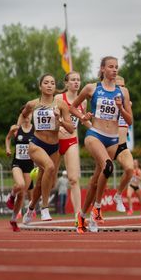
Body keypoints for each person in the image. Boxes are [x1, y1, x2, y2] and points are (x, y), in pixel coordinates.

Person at [69, 56, 133, 233]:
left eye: (116, 67)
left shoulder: (123, 92)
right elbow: (72, 107)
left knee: (95, 182)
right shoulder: (92, 88)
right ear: (103, 69)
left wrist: (120, 109)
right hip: (95, 135)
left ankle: (82, 217)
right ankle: (97, 209)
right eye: (111, 67)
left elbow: (130, 120)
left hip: (112, 140)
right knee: (108, 166)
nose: (114, 70)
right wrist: (83, 117)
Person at [22, 73, 74, 223]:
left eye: (52, 82)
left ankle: (30, 208)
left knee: (46, 183)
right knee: (49, 167)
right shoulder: (32, 104)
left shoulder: (61, 105)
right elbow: (23, 114)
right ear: (40, 86)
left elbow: (71, 128)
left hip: (54, 147)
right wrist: (20, 127)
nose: (50, 85)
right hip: (36, 143)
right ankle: (44, 208)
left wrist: (60, 121)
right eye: (46, 82)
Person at [54, 71, 89, 221]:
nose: (76, 82)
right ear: (66, 83)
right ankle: (32, 207)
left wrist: (95, 129)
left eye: (78, 80)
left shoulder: (83, 101)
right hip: (55, 141)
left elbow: (83, 120)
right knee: (48, 180)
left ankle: (78, 216)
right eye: (73, 80)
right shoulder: (58, 98)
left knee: (74, 179)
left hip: (72, 140)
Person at [5, 109, 35, 232]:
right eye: (25, 115)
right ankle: (11, 196)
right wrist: (8, 149)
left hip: (29, 165)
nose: (27, 117)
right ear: (21, 116)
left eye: (29, 114)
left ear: (32, 116)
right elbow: (7, 138)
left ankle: (13, 219)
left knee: (22, 194)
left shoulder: (36, 130)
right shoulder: (16, 129)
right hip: (17, 163)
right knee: (21, 185)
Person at [112, 75, 135, 214]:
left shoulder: (127, 105)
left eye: (123, 86)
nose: (121, 89)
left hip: (121, 146)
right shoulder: (106, 104)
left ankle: (118, 195)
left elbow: (130, 120)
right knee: (99, 178)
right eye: (118, 86)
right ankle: (93, 208)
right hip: (107, 144)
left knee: (130, 169)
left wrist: (123, 108)